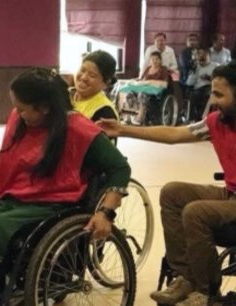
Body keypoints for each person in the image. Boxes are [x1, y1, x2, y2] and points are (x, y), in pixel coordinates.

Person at [0, 68, 131, 305]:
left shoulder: (80, 129)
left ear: (44, 108)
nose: (17, 112)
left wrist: (105, 212)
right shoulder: (21, 119)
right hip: (12, 198)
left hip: (50, 206)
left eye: (23, 108)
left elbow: (120, 167)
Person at [97, 61, 236, 306]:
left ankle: (207, 292)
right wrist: (123, 129)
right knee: (173, 193)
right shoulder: (216, 121)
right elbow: (174, 134)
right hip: (230, 195)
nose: (212, 100)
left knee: (197, 212)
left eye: (219, 94)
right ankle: (187, 278)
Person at [72, 50, 119, 122]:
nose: (84, 77)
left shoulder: (104, 112)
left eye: (92, 75)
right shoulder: (64, 94)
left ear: (105, 83)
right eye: (82, 70)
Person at [186, 45, 218, 121]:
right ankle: (192, 119)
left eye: (204, 54)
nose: (202, 56)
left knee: (207, 94)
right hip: (198, 89)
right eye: (199, 54)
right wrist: (193, 71)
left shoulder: (216, 66)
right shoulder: (196, 67)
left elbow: (220, 80)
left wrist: (209, 78)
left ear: (209, 55)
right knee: (193, 95)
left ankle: (204, 118)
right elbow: (189, 83)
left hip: (211, 88)